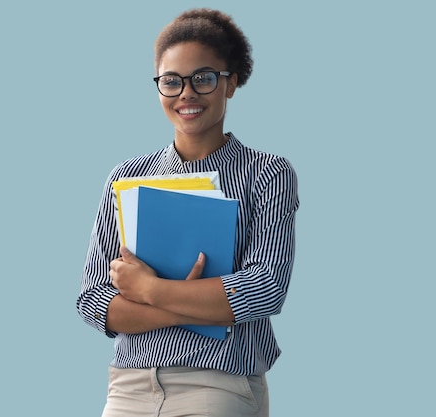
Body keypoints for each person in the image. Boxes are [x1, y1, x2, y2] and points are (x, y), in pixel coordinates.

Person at [77, 8, 299, 417]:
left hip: (216, 383)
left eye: (204, 78)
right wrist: (193, 302)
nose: (186, 93)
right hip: (128, 386)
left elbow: (264, 287)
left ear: (230, 83)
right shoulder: (127, 177)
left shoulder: (267, 173)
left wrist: (149, 290)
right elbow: (93, 301)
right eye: (171, 81)